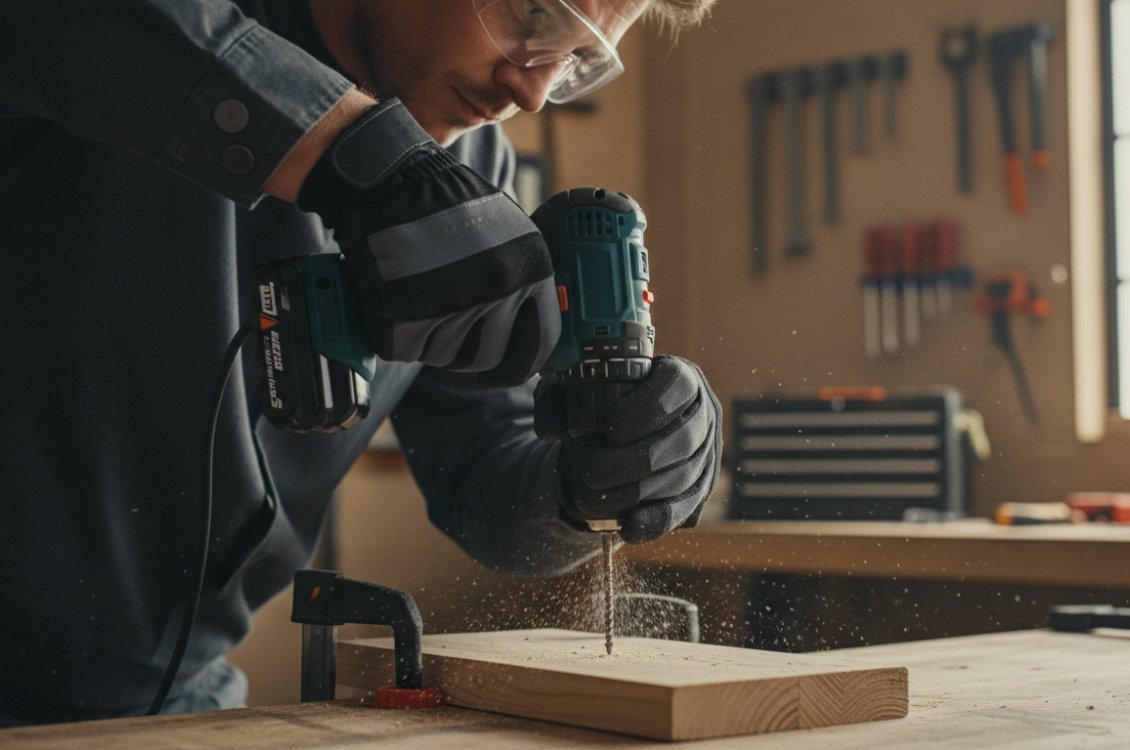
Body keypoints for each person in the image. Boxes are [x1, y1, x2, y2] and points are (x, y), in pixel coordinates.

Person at [0, 0, 721, 726]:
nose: (531, 89)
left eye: (572, 57)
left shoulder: (470, 165)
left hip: (183, 695)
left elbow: (481, 462)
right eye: (532, 16)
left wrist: (587, 482)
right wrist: (368, 162)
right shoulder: (175, 24)